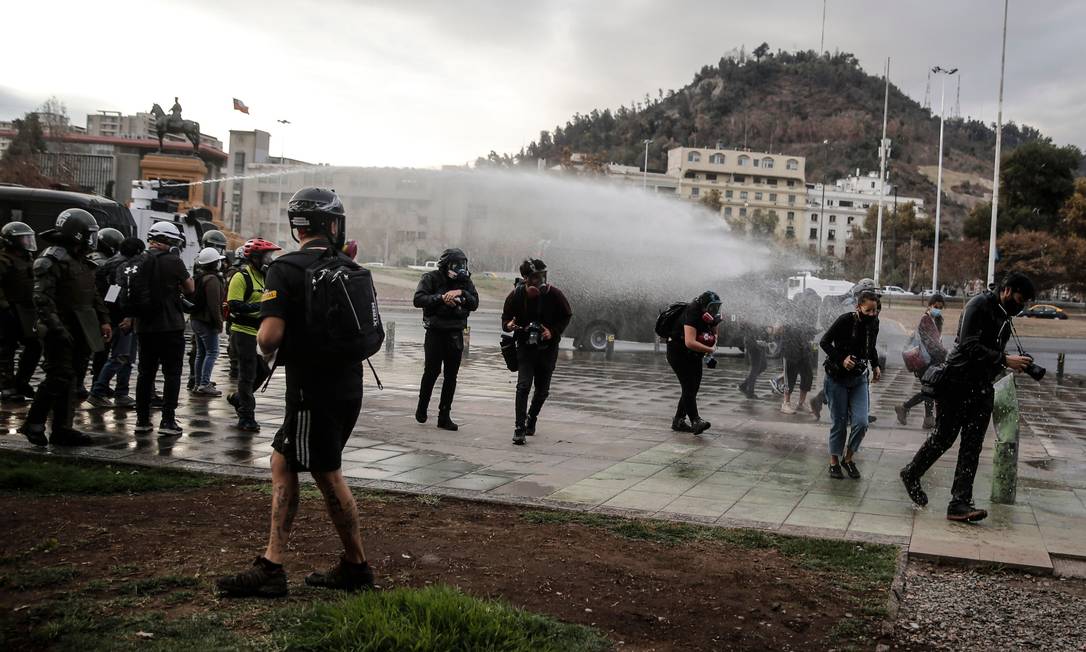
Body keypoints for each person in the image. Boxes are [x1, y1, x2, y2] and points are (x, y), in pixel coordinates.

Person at [216, 187, 374, 597]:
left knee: (326, 471)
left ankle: (348, 568)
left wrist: (263, 351)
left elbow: (269, 336)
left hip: (311, 390)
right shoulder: (347, 265)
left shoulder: (285, 268)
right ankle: (283, 563)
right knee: (284, 461)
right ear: (334, 225)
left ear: (297, 226)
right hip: (349, 383)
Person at [900, 273, 1035, 523]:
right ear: (1007, 290)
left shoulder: (1005, 315)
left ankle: (959, 503)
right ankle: (911, 473)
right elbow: (967, 346)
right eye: (1020, 298)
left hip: (982, 386)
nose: (1021, 305)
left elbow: (991, 350)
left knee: (972, 445)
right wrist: (1004, 359)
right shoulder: (978, 305)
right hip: (957, 382)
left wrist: (1008, 364)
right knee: (945, 437)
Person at [19, 209, 111, 446]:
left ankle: (62, 428)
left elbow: (93, 294)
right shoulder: (51, 259)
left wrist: (104, 320)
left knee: (73, 379)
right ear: (76, 233)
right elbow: (42, 299)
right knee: (58, 376)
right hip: (59, 327)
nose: (92, 239)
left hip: (83, 326)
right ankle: (34, 423)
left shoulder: (81, 259)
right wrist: (57, 328)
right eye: (88, 234)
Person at [130, 221, 194, 437]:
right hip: (170, 326)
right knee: (172, 374)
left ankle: (141, 420)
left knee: (145, 374)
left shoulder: (138, 259)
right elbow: (190, 288)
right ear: (169, 241)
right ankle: (167, 420)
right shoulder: (173, 261)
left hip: (144, 326)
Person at [501, 258, 573, 446]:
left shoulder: (555, 294)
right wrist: (509, 325)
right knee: (523, 387)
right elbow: (505, 320)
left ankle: (531, 417)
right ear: (525, 278)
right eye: (535, 277)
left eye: (543, 276)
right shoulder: (516, 296)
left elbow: (567, 315)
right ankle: (519, 428)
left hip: (548, 349)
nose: (540, 281)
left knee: (542, 391)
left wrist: (553, 331)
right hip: (525, 346)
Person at [413, 248, 479, 430]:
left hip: (455, 334)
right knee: (431, 372)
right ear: (446, 265)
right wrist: (441, 298)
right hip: (435, 333)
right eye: (456, 264)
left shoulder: (465, 283)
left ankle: (444, 416)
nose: (460, 268)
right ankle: (422, 407)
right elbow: (418, 299)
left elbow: (475, 303)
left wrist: (460, 294)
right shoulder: (431, 278)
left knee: (451, 376)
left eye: (463, 264)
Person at [820, 289, 881, 479]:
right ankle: (834, 462)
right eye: (868, 310)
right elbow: (824, 342)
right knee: (839, 423)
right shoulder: (845, 320)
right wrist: (842, 359)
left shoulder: (874, 323)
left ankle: (848, 458)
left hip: (859, 379)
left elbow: (871, 346)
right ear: (858, 307)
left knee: (861, 422)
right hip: (837, 378)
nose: (872, 314)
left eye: (875, 310)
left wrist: (876, 365)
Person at [226, 238, 279, 432]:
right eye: (266, 255)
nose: (269, 259)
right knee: (247, 375)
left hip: (258, 333)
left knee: (264, 371)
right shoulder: (241, 277)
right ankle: (246, 416)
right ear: (254, 257)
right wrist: (261, 306)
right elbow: (234, 305)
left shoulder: (265, 277)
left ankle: (239, 398)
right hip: (242, 333)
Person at [89, 237, 145, 408]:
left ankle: (121, 393)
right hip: (123, 318)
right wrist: (127, 315)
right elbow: (122, 293)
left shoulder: (112, 262)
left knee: (125, 357)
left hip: (114, 316)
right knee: (121, 356)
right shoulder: (124, 267)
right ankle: (98, 392)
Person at [666, 291, 720, 435]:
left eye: (717, 307)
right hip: (677, 352)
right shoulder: (692, 312)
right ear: (704, 305)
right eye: (712, 307)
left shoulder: (709, 313)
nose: (715, 310)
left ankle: (678, 421)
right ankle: (695, 420)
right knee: (688, 386)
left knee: (693, 387)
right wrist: (710, 349)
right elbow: (689, 342)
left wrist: (713, 342)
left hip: (694, 354)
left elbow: (714, 332)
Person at [0, 222, 42, 403]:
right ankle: (7, 386)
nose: (27, 242)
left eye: (28, 238)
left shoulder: (28, 258)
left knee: (35, 346)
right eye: (23, 238)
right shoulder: (3, 260)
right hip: (9, 309)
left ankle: (21, 381)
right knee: (6, 349)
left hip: (27, 309)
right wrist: (4, 306)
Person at [894, 294, 947, 429]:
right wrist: (944, 354)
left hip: (931, 360)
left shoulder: (937, 319)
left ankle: (926, 418)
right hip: (924, 361)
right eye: (936, 307)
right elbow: (930, 342)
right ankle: (906, 408)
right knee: (929, 389)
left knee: (929, 389)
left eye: (940, 307)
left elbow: (936, 340)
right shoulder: (926, 320)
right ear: (930, 305)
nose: (938, 309)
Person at [187, 230, 229, 392]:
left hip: (197, 319)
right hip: (206, 321)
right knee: (212, 352)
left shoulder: (200, 276)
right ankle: (204, 384)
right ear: (214, 263)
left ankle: (198, 383)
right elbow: (214, 305)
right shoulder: (212, 279)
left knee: (201, 353)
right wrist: (219, 324)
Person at [780, 289, 819, 415]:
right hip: (790, 349)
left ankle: (801, 404)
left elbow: (806, 331)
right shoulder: (793, 310)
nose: (814, 304)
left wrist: (814, 331)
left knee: (807, 376)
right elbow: (790, 328)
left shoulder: (809, 313)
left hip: (804, 349)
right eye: (812, 301)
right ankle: (785, 403)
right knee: (790, 377)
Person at [224, 245, 245, 380]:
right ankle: (234, 367)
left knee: (233, 340)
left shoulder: (232, 271)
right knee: (233, 340)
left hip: (232, 310)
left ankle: (235, 366)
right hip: (234, 311)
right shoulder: (236, 272)